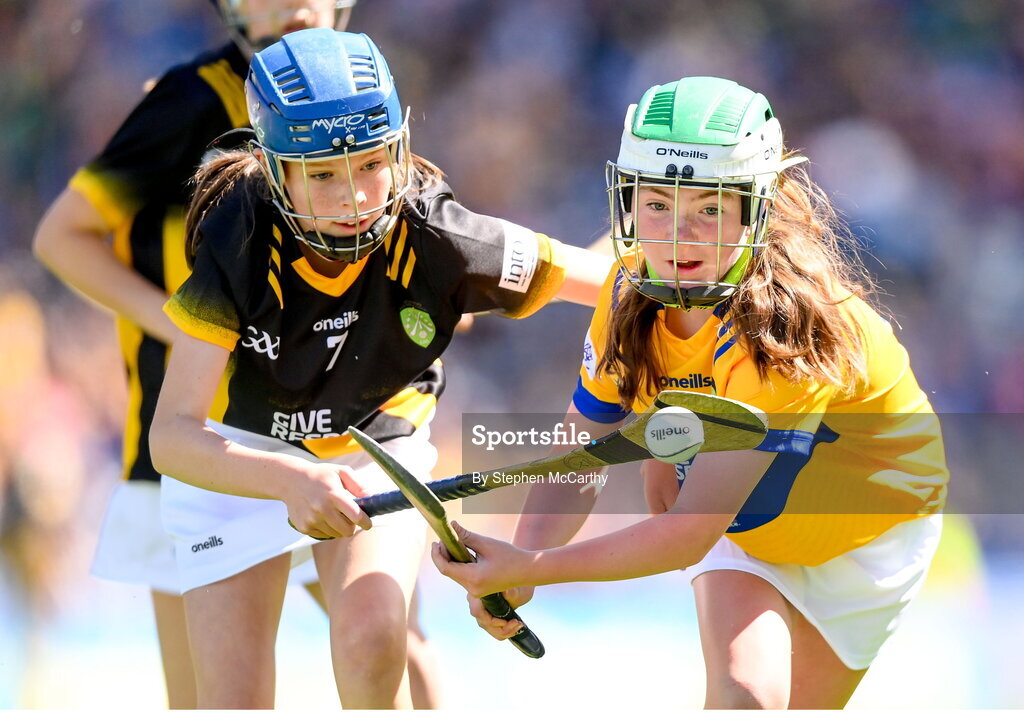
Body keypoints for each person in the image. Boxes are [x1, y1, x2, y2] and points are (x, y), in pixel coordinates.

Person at [432, 76, 948, 710]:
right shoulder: (627, 294)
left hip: (872, 536)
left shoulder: (782, 330)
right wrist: (525, 556)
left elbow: (686, 534)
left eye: (709, 209)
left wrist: (529, 568)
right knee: (745, 696)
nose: (679, 237)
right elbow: (579, 459)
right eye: (657, 206)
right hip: (742, 516)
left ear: (757, 210)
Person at [149, 28, 609, 709]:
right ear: (276, 170)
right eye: (323, 174)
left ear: (399, 147)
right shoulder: (238, 232)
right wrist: (287, 478)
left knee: (373, 640)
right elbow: (173, 436)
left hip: (375, 445)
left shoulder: (436, 231)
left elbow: (603, 278)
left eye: (370, 163)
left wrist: (725, 281)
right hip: (240, 457)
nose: (355, 196)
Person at [31, 2, 369, 708]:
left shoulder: (361, 90)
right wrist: (187, 328)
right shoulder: (191, 100)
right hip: (196, 452)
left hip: (323, 436)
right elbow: (61, 236)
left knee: (391, 654)